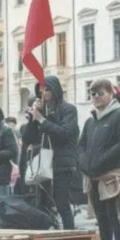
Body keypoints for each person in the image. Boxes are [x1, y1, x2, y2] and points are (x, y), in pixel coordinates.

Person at [78, 79, 120, 240]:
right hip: (93, 176)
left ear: (111, 93)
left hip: (110, 174)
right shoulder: (91, 120)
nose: (95, 97)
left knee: (116, 216)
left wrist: (101, 161)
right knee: (101, 218)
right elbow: (81, 146)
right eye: (92, 94)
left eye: (100, 93)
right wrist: (84, 164)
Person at [22, 75, 79, 230]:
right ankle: (47, 234)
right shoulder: (40, 110)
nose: (44, 94)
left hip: (62, 161)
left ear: (55, 90)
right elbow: (28, 138)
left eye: (47, 90)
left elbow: (64, 134)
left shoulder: (68, 109)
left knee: (61, 202)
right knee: (42, 201)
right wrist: (33, 119)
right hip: (43, 161)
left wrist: (42, 119)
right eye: (41, 91)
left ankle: (69, 236)